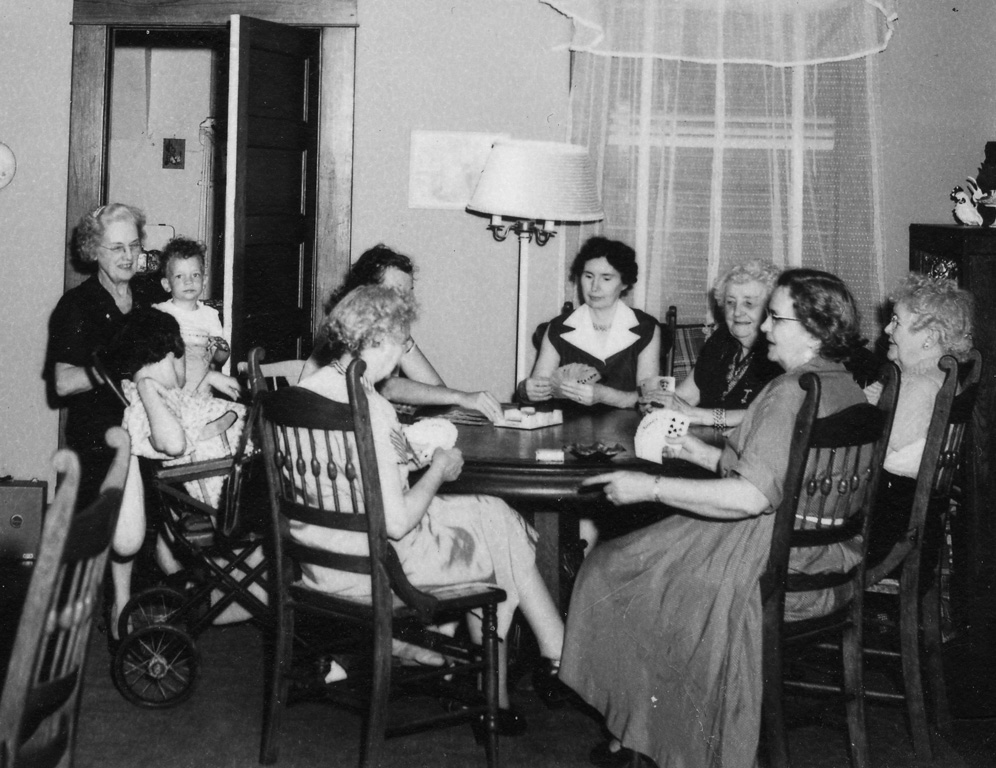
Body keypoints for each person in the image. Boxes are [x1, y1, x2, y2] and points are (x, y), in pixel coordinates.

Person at [562, 269, 870, 768]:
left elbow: (750, 497)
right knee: (639, 565)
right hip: (820, 558)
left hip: (768, 560)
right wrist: (695, 452)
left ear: (812, 329)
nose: (766, 327)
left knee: (614, 569)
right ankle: (643, 728)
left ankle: (651, 733)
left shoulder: (790, 391)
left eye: (776, 316)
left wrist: (650, 485)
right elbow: (778, 478)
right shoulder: (842, 387)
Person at [296, 285, 566, 732]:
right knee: (497, 533)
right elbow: (398, 523)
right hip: (376, 567)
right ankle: (533, 668)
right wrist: (438, 468)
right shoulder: (371, 409)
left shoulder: (309, 391)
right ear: (377, 341)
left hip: (319, 560)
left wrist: (413, 463)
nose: (401, 355)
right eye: (401, 344)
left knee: (490, 510)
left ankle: (539, 660)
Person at [106, 308, 246, 637]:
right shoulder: (146, 403)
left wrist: (208, 378)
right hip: (240, 489)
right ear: (174, 355)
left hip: (247, 467)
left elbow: (191, 415)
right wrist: (149, 390)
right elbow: (172, 442)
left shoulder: (169, 397)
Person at [46, 203, 166, 506]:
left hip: (153, 430)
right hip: (101, 439)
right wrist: (116, 361)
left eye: (134, 245)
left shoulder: (152, 295)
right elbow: (62, 383)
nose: (128, 256)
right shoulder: (77, 306)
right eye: (116, 248)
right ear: (93, 251)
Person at [301, 244, 503, 422]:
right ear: (366, 292)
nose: (405, 302)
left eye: (409, 292)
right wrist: (461, 397)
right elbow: (385, 387)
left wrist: (456, 396)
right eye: (396, 292)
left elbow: (436, 387)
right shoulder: (346, 330)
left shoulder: (389, 333)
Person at [865, 273, 974, 567]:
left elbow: (875, 458)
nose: (887, 328)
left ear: (928, 339)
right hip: (916, 528)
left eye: (897, 322)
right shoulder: (940, 378)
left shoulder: (918, 387)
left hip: (887, 536)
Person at [519, 236, 661, 410]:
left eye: (606, 279)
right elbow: (540, 387)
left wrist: (604, 395)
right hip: (567, 429)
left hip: (626, 429)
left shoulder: (645, 328)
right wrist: (527, 391)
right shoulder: (558, 327)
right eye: (588, 276)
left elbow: (650, 400)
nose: (594, 287)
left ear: (624, 283)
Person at [662, 259, 783, 429]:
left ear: (770, 309)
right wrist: (660, 404)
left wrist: (706, 416)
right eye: (730, 302)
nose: (737, 312)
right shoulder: (721, 339)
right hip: (706, 441)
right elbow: (686, 396)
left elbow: (771, 415)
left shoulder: (778, 352)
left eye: (749, 303)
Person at [153, 236, 232, 394]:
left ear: (204, 280)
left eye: (195, 275)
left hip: (200, 389)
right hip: (169, 387)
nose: (189, 281)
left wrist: (223, 352)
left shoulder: (210, 315)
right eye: (180, 276)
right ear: (167, 284)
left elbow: (217, 361)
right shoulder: (160, 312)